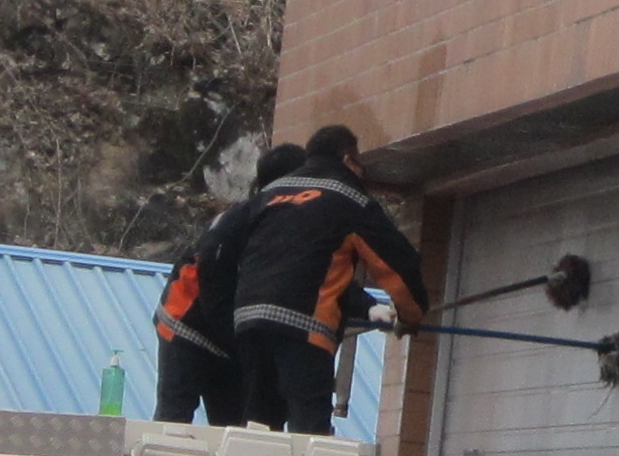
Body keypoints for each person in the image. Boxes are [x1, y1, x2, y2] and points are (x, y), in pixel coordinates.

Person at [229, 126, 429, 435]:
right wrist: (410, 314)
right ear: (348, 160)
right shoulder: (349, 200)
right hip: (303, 327)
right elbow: (397, 264)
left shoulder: (270, 195)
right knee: (309, 430)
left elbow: (300, 263)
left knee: (259, 426)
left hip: (249, 322)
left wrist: (369, 307)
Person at [153, 144, 300, 425]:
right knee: (173, 421)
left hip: (232, 337)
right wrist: (245, 345)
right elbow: (215, 287)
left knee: (233, 429)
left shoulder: (291, 228)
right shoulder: (238, 220)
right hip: (185, 322)